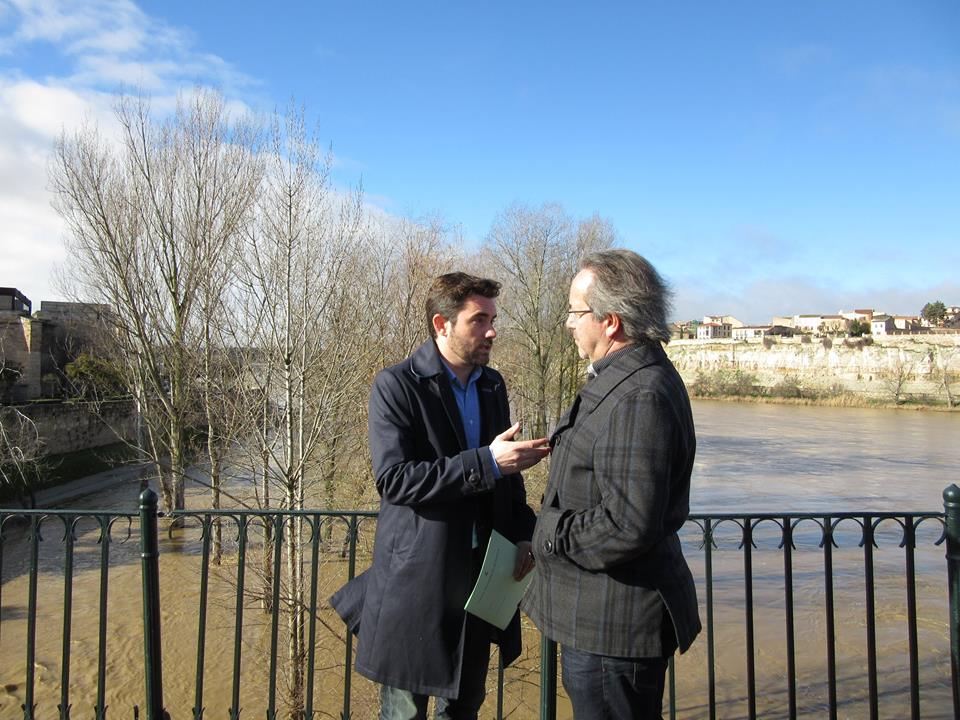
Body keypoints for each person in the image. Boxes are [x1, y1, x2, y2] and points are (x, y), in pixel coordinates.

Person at [331, 272, 550, 720]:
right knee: (404, 714)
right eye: (478, 320)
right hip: (418, 584)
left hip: (478, 582)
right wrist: (486, 462)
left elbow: (507, 478)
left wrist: (524, 533)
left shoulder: (493, 385)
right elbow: (395, 479)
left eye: (493, 319)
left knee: (463, 709)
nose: (491, 331)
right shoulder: (396, 386)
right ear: (441, 324)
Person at [522, 249, 701, 719]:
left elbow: (628, 522)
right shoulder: (625, 380)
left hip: (613, 630)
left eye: (575, 312)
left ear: (611, 322)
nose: (568, 324)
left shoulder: (640, 394)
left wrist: (550, 533)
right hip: (602, 624)